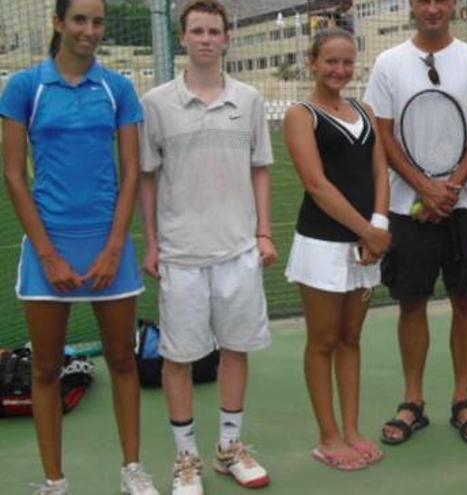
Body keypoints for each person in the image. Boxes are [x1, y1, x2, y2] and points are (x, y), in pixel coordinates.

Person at [0, 0, 159, 494]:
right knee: (46, 369)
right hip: (48, 250)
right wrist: (47, 254)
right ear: (58, 23)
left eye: (97, 21)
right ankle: (55, 482)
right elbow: (12, 174)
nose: (90, 30)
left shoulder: (118, 88)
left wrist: (115, 247)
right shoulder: (26, 86)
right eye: (80, 20)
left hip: (109, 245)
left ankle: (132, 471)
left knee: (123, 361)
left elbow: (131, 172)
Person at [139, 1, 276, 492]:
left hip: (238, 252)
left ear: (226, 38)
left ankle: (229, 448)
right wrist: (153, 242)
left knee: (236, 349)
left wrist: (263, 233)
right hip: (181, 256)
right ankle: (186, 459)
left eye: (213, 31)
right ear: (183, 38)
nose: (204, 38)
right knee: (179, 358)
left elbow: (261, 168)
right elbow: (148, 180)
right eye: (196, 30)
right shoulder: (156, 103)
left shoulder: (251, 100)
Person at [364, 0, 467, 446]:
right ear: (413, 6)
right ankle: (413, 400)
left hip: (464, 205)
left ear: (453, 5)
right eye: (424, 0)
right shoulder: (388, 63)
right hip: (407, 208)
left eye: (442, 0)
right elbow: (383, 133)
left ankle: (463, 398)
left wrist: (451, 187)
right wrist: (422, 185)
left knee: (465, 301)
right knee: (411, 302)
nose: (433, 8)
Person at [283, 28, 391, 471]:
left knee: (351, 339)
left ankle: (351, 429)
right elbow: (316, 184)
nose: (339, 70)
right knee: (324, 340)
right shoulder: (300, 114)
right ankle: (327, 436)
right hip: (323, 246)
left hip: (365, 245)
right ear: (313, 62)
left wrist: (379, 226)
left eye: (347, 62)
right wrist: (368, 231)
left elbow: (381, 172)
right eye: (330, 61)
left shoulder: (364, 109)